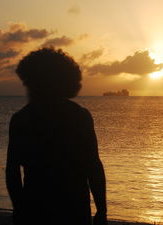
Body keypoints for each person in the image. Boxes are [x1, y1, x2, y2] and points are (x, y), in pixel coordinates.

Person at [6, 47, 107, 225]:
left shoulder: (21, 119)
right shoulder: (80, 116)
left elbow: (12, 172)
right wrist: (101, 210)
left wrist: (19, 208)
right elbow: (93, 166)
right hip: (73, 209)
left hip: (37, 209)